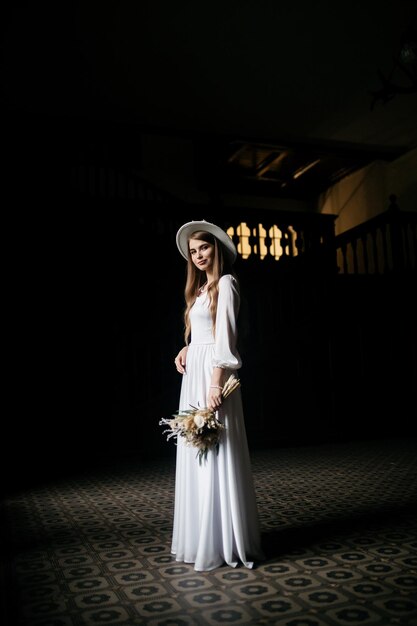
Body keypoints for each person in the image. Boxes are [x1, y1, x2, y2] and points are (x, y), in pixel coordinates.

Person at [171, 219, 264, 571]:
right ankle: (200, 536)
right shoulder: (199, 291)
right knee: (196, 449)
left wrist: (215, 383)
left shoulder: (226, 283)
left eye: (203, 248)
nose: (197, 255)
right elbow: (201, 333)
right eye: (193, 251)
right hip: (194, 373)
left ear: (217, 249)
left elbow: (225, 340)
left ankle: (224, 538)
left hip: (213, 376)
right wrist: (186, 348)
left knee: (216, 448)